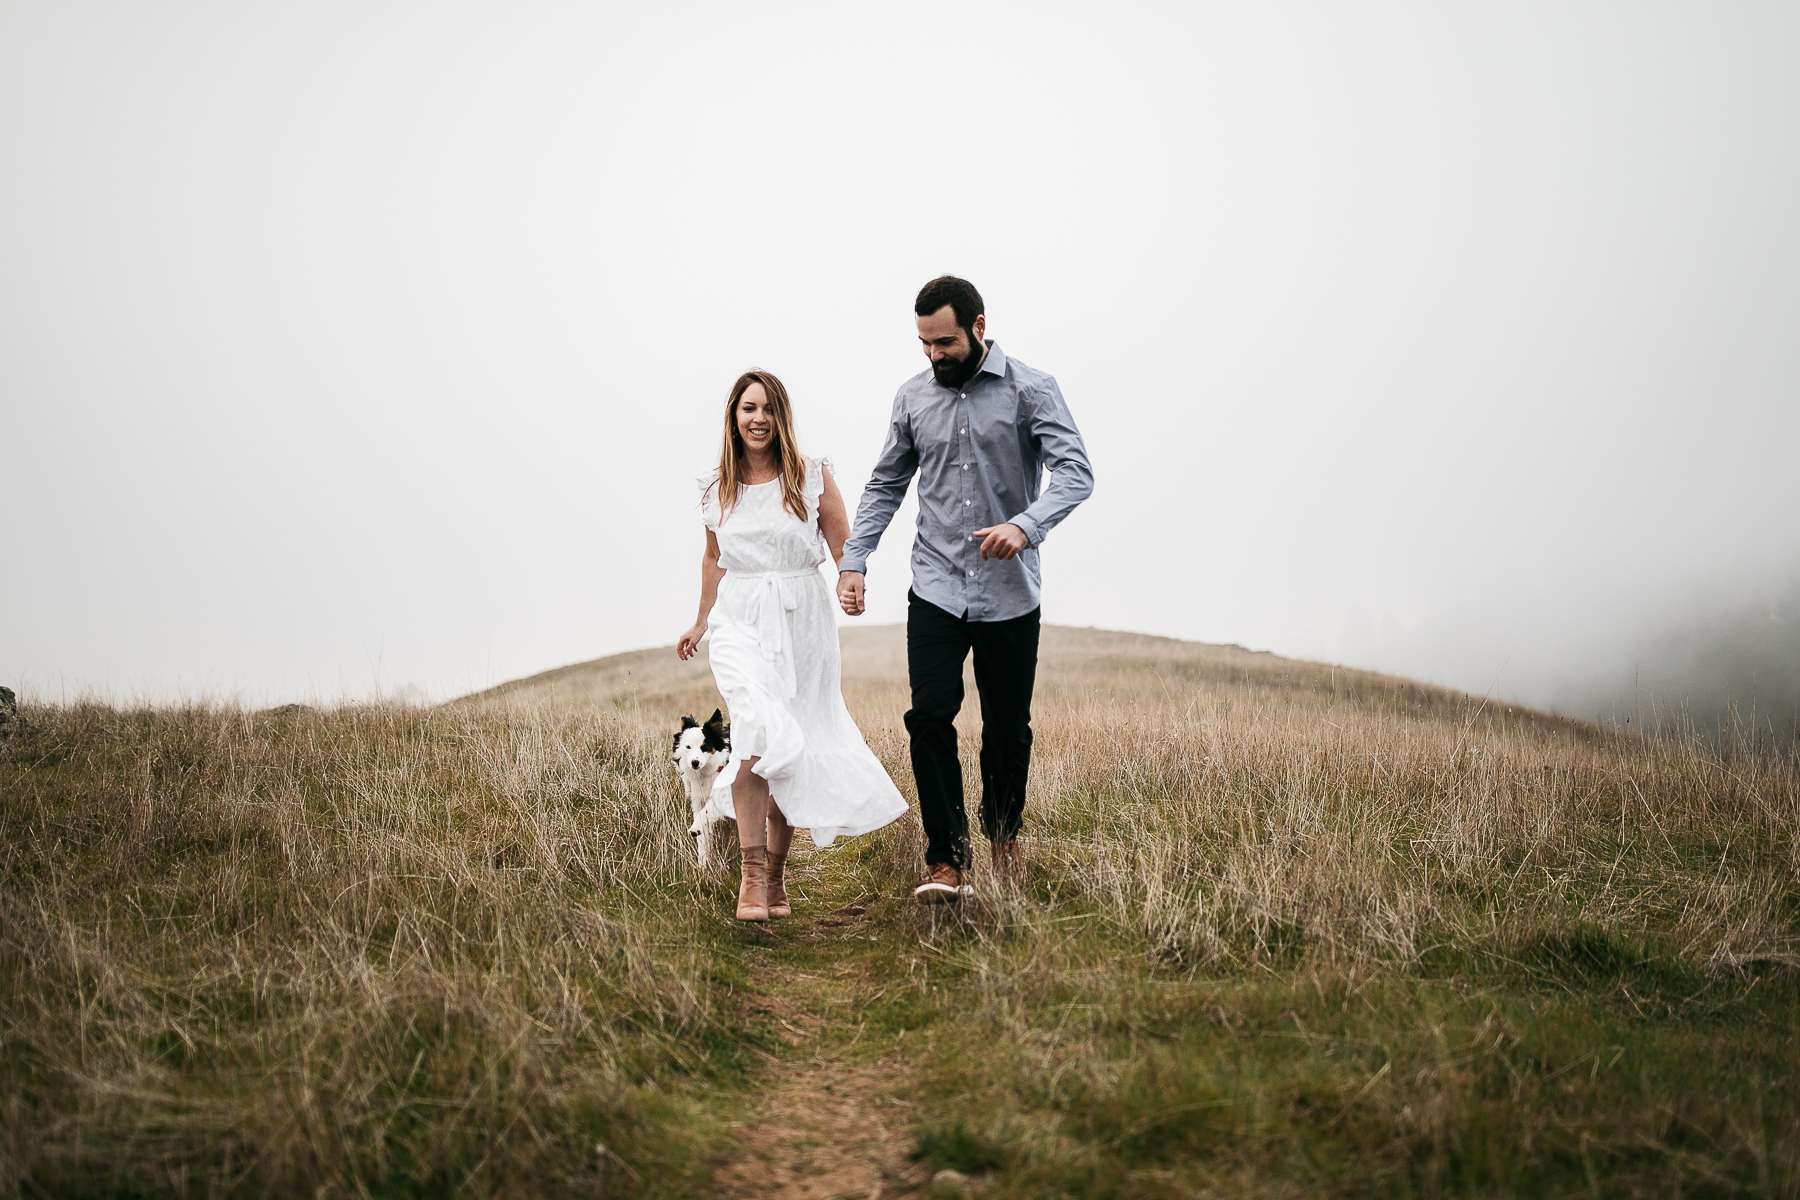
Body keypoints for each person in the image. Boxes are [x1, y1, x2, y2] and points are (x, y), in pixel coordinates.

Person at [837, 276, 1094, 902]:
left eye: (945, 342)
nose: (933, 355)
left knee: (1008, 728)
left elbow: (1076, 473)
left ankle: (1003, 837)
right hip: (936, 587)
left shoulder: (1032, 390)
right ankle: (945, 859)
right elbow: (885, 485)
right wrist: (855, 559)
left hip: (1010, 593)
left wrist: (1024, 526)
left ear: (979, 327)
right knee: (929, 717)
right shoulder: (912, 398)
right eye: (924, 344)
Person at [678, 370, 908, 922]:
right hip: (740, 620)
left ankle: (777, 876)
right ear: (734, 416)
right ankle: (751, 876)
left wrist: (851, 581)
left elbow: (840, 540)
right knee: (756, 729)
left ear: (782, 417)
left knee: (792, 740)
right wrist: (702, 619)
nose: (758, 419)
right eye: (747, 408)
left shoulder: (809, 475)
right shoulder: (718, 489)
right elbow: (715, 558)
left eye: (768, 409)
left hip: (801, 619)